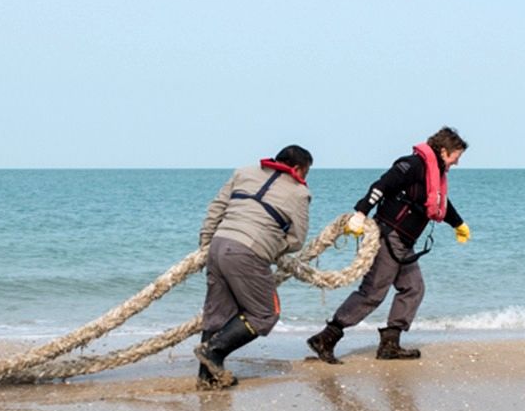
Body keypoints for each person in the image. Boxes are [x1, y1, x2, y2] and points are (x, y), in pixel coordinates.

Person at [306, 128, 471, 363]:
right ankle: (326, 337)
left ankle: (390, 344)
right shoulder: (413, 165)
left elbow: (439, 202)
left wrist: (458, 223)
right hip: (389, 236)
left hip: (404, 242)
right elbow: (380, 185)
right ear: (444, 151)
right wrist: (360, 213)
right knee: (373, 292)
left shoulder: (433, 173)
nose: (458, 162)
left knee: (414, 288)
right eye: (457, 155)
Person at [195, 145, 314, 387]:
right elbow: (296, 239)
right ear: (299, 169)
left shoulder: (243, 172)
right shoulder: (300, 193)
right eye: (307, 172)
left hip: (218, 245)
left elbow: (215, 209)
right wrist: (271, 249)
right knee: (265, 313)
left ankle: (207, 379)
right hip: (248, 252)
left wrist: (206, 243)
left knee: (217, 314)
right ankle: (213, 352)